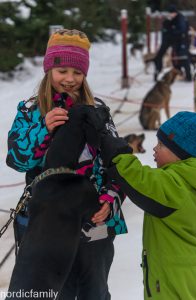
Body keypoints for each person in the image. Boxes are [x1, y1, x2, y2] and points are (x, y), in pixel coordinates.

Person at [6, 29, 127, 300]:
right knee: (45, 293)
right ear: (48, 69)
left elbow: (118, 162)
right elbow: (16, 159)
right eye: (62, 71)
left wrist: (111, 198)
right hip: (45, 222)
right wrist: (42, 129)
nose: (70, 79)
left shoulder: (98, 110)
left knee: (93, 293)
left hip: (92, 220)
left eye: (78, 72)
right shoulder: (30, 110)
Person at [100, 111, 196, 299]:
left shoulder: (177, 185)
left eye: (161, 144)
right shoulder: (193, 180)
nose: (154, 149)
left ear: (182, 154)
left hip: (176, 284)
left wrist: (114, 148)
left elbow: (138, 178)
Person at [154, 5, 192, 81]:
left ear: (175, 13)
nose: (170, 15)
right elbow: (166, 29)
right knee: (162, 56)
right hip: (171, 41)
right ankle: (159, 71)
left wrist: (171, 31)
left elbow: (181, 30)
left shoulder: (180, 19)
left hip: (182, 41)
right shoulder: (170, 19)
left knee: (183, 57)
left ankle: (188, 76)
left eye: (171, 13)